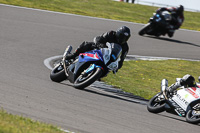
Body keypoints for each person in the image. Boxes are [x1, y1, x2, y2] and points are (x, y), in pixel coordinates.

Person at [65, 26, 131, 70]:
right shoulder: (110, 34)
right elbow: (98, 38)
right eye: (121, 36)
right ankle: (74, 55)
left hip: (107, 59)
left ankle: (96, 75)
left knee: (108, 70)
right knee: (87, 44)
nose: (123, 39)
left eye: (125, 38)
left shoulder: (125, 47)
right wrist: (99, 44)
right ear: (118, 33)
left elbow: (121, 60)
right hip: (100, 50)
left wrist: (117, 67)